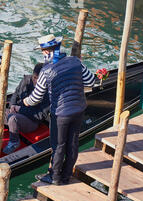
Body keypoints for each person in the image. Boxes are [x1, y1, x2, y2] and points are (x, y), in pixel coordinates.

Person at [23, 34, 95, 185]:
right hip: (78, 109)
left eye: (43, 51)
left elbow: (36, 98)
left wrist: (26, 101)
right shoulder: (75, 61)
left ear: (46, 52)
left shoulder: (45, 71)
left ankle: (54, 177)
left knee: (58, 145)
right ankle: (66, 175)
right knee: (73, 143)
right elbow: (90, 81)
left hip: (61, 113)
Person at [0, 63, 49, 154]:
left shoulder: (48, 91)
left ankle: (14, 142)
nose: (35, 81)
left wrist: (18, 109)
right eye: (34, 77)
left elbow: (40, 115)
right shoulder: (26, 80)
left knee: (13, 118)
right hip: (15, 111)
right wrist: (12, 105)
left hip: (31, 121)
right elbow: (15, 94)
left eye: (38, 79)